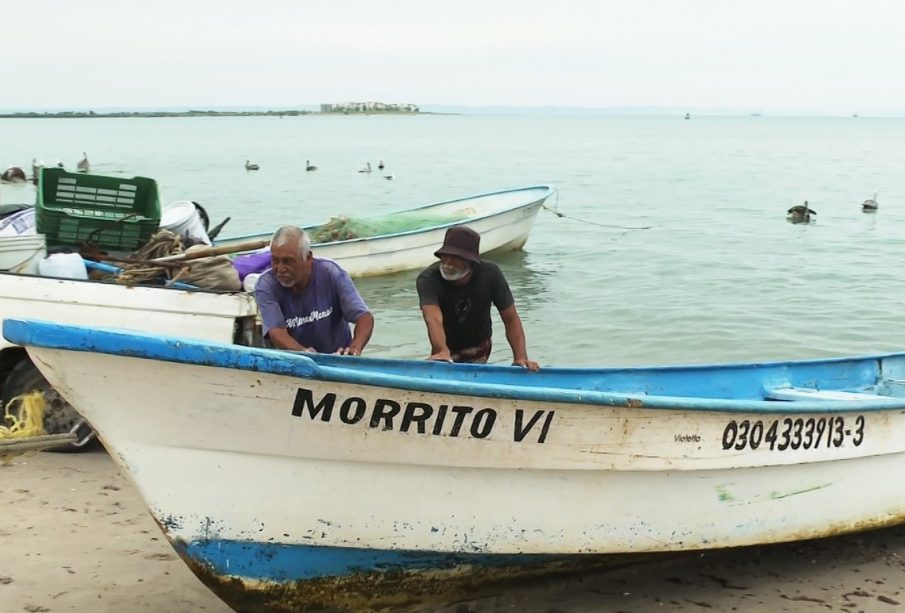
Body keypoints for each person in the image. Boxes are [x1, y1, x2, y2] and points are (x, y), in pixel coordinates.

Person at [416, 226, 539, 371]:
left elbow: (510, 318)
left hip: (479, 344)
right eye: (445, 256)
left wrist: (520, 358)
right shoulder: (428, 279)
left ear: (471, 262)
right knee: (444, 370)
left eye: (456, 258)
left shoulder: (491, 274)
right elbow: (433, 318)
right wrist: (442, 350)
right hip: (445, 345)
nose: (448, 264)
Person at [254, 225, 374, 355]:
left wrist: (355, 348)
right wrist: (305, 353)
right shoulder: (266, 285)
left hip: (339, 358)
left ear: (308, 258)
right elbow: (276, 332)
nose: (280, 269)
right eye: (275, 261)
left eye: (288, 261)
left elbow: (365, 317)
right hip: (296, 361)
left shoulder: (331, 273)